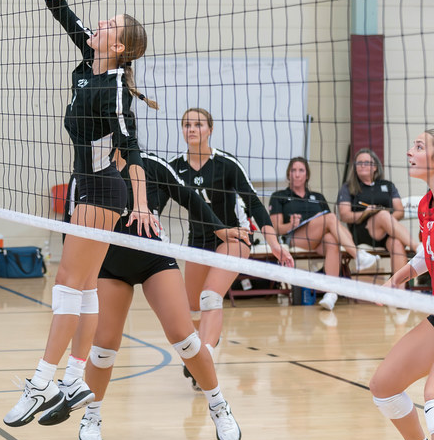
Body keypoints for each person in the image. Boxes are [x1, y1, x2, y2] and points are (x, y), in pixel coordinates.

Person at [2, 0, 161, 428]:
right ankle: (73, 379)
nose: (98, 24)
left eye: (109, 25)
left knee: (67, 284)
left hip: (103, 189)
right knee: (85, 287)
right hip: (86, 186)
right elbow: (58, 5)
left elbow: (131, 150)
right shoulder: (90, 60)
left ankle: (42, 382)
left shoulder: (115, 88)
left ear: (119, 46)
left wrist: (142, 203)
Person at [42, 151, 245, 440]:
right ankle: (92, 417)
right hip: (108, 265)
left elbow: (190, 197)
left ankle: (218, 405)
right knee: (103, 349)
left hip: (154, 260)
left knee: (186, 339)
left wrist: (221, 230)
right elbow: (70, 228)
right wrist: (77, 275)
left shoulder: (150, 165)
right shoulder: (87, 171)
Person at [169, 107, 293, 359]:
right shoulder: (174, 168)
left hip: (234, 238)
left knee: (210, 297)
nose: (192, 129)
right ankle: (205, 343)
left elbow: (254, 204)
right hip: (198, 241)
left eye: (198, 124)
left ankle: (205, 356)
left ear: (210, 130)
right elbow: (152, 203)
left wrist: (274, 243)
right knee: (192, 308)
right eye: (187, 125)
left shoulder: (226, 164)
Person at [369, 128, 434, 440]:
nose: (410, 151)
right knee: (384, 386)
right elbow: (427, 253)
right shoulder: (426, 204)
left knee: (432, 395)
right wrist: (398, 278)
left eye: (419, 147)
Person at [270, 157, 378, 311]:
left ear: (307, 175)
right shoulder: (279, 196)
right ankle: (358, 256)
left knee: (331, 239)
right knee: (330, 217)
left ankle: (331, 293)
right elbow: (276, 228)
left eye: (301, 170)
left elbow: (330, 226)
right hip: (295, 238)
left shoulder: (317, 197)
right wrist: (290, 224)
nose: (297, 174)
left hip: (318, 239)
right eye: (293, 170)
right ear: (288, 174)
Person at [338, 148, 416, 279]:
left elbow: (400, 211)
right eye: (359, 163)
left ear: (375, 167)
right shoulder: (348, 187)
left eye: (366, 162)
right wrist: (366, 213)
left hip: (386, 232)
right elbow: (344, 215)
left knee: (397, 243)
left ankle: (398, 289)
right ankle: (417, 248)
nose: (362, 165)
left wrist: (385, 221)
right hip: (361, 232)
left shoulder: (387, 185)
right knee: (382, 215)